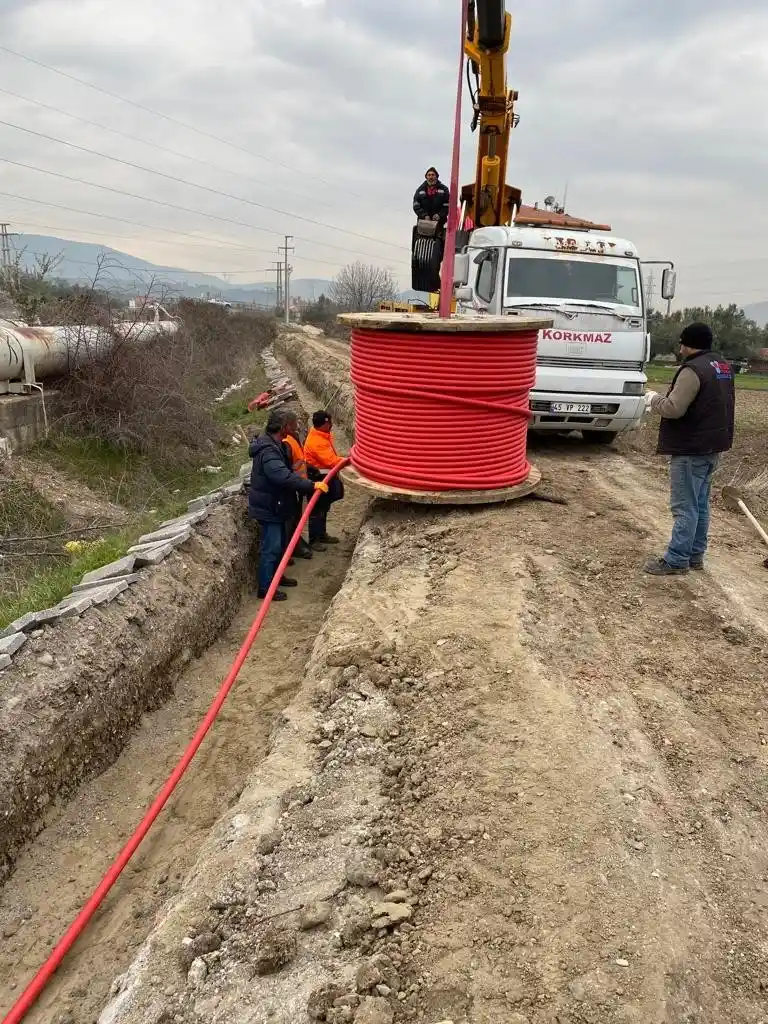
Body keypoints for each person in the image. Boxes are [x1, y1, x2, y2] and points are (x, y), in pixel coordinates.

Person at [643, 322, 735, 576]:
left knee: (685, 506)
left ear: (686, 343)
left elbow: (674, 408)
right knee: (700, 504)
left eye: (681, 343)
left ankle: (676, 559)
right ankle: (695, 556)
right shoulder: (722, 366)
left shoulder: (692, 369)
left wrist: (653, 399)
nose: (680, 348)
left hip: (690, 448)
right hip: (712, 447)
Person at [248, 409, 328, 600]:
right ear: (284, 427)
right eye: (292, 426)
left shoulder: (278, 445)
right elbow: (283, 476)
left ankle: (276, 578)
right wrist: (310, 485)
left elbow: (290, 470)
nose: (295, 429)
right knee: (271, 547)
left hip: (278, 504)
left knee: (281, 544)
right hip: (269, 507)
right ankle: (266, 588)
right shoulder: (268, 452)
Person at [303, 410, 345, 548]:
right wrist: (349, 460)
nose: (332, 425)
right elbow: (332, 461)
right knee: (317, 509)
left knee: (324, 506)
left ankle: (322, 534)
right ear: (325, 423)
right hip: (317, 477)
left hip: (324, 476)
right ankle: (315, 540)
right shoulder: (316, 441)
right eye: (330, 422)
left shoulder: (321, 435)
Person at [283, 413, 314, 560]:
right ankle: (291, 549)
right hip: (293, 486)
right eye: (295, 423)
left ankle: (296, 544)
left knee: (297, 516)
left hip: (300, 484)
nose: (298, 425)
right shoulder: (286, 442)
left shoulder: (293, 438)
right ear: (288, 425)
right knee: (292, 519)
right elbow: (288, 467)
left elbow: (299, 460)